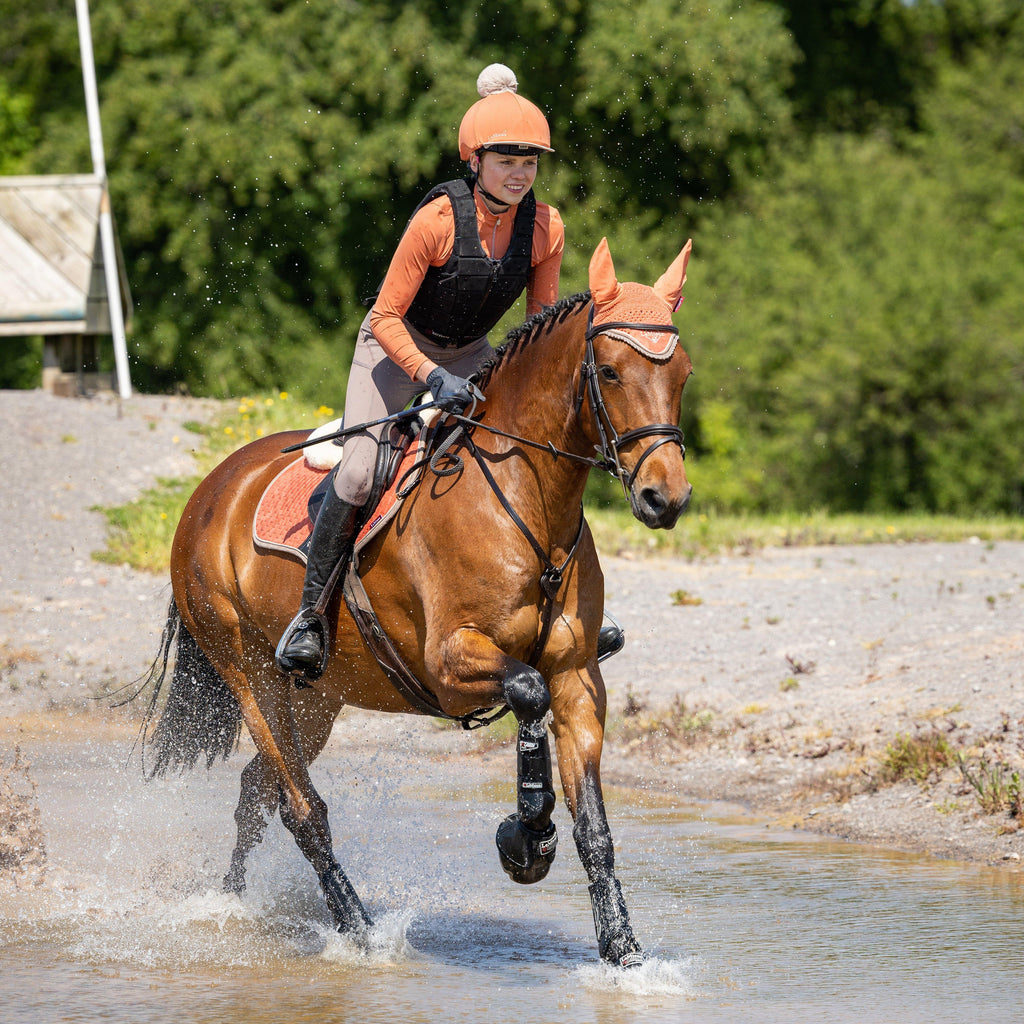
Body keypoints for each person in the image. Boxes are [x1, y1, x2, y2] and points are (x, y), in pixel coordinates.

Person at [276, 63, 565, 678]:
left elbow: (539, 327)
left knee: (542, 453)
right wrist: (431, 378)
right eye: (507, 160)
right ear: (476, 161)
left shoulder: (546, 227)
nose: (520, 174)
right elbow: (384, 316)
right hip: (393, 350)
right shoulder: (436, 221)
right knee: (358, 474)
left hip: (473, 353)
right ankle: (309, 617)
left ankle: (567, 604)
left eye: (530, 163)